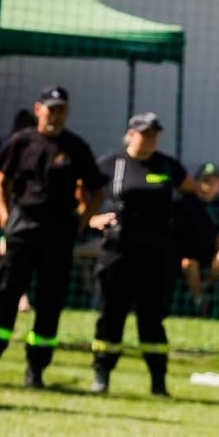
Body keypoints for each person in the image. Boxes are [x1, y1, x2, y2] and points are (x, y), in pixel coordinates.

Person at [0, 85, 102, 389]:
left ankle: (36, 371)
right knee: (7, 297)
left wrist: (80, 222)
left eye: (61, 110)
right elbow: (0, 182)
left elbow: (96, 190)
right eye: (50, 109)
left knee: (50, 302)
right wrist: (6, 218)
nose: (55, 116)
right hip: (23, 230)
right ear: (38, 110)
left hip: (59, 233)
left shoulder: (75, 146)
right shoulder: (21, 142)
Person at [87, 113, 184, 396]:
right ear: (130, 134)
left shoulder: (167, 165)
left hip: (155, 255)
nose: (150, 139)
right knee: (111, 314)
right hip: (118, 251)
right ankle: (102, 374)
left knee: (152, 318)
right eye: (144, 133)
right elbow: (84, 192)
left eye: (154, 134)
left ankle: (158, 381)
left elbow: (191, 193)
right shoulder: (110, 164)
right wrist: (93, 218)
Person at [0, 108, 38, 313]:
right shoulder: (4, 153)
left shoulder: (34, 154)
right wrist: (1, 214)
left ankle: (19, 295)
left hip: (18, 213)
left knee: (11, 252)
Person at [180, 161, 219, 315]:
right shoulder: (188, 202)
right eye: (206, 180)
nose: (210, 184)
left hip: (213, 251)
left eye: (214, 181)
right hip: (191, 251)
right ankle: (199, 301)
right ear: (198, 181)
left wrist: (216, 244)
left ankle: (202, 287)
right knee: (189, 263)